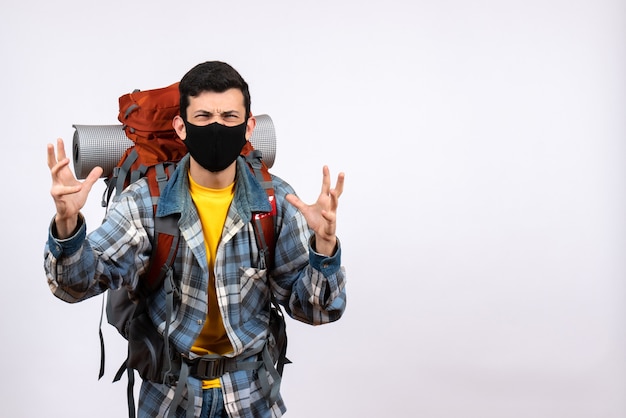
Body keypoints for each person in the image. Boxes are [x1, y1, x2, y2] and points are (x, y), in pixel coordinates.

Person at [44, 61, 347, 418]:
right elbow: (76, 285)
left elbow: (316, 310)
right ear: (181, 127)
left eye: (229, 116)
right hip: (170, 397)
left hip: (252, 397)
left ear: (249, 126)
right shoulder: (144, 203)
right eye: (203, 117)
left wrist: (324, 249)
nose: (217, 126)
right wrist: (67, 227)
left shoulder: (276, 201)